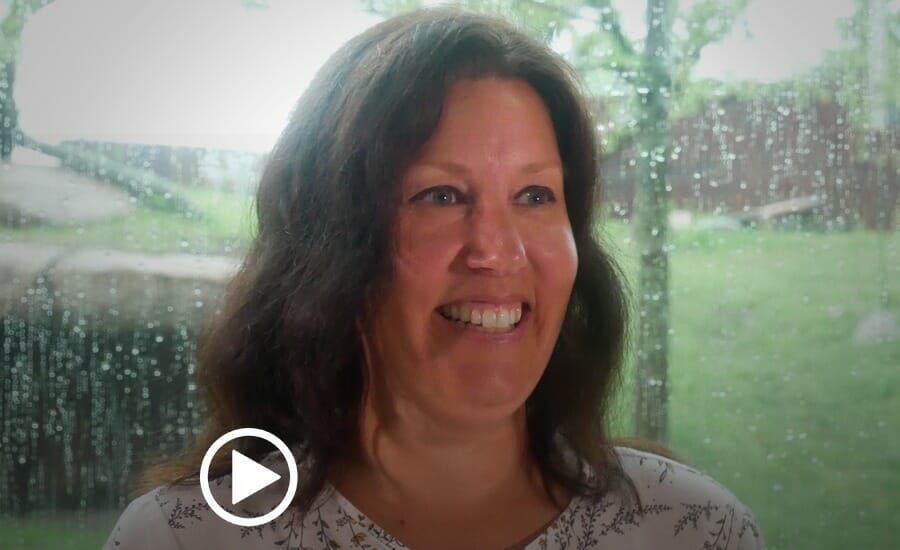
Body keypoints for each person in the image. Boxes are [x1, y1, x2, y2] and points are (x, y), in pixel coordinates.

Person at [104, 8, 765, 549]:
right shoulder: (186, 539)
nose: (498, 252)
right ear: (328, 245)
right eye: (441, 196)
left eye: (536, 196)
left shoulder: (694, 531)